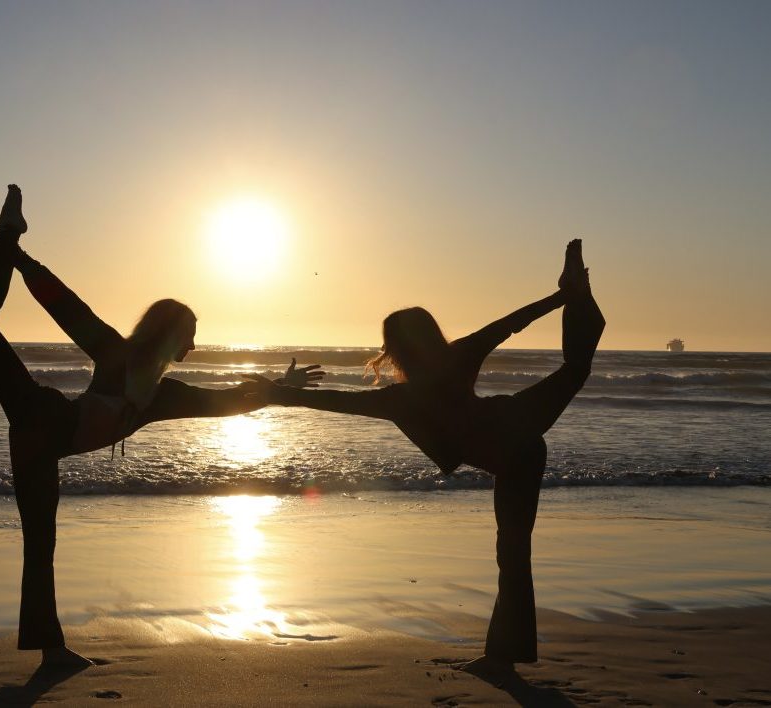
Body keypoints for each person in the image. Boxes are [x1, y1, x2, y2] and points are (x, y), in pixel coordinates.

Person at [0, 185, 322, 668]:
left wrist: (279, 386)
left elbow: (229, 401)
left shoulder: (162, 395)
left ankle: (52, 653)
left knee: (41, 544)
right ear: (170, 334)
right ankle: (6, 237)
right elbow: (67, 307)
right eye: (189, 337)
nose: (192, 347)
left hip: (39, 444)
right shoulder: (119, 357)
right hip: (41, 416)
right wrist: (22, 262)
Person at [248, 239, 604, 681]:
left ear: (395, 349)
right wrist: (559, 299)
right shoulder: (456, 357)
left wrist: (279, 393)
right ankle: (578, 294)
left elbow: (337, 401)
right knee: (575, 370)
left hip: (516, 449)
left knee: (513, 551)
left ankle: (500, 660)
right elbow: (511, 323)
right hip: (516, 424)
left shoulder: (401, 399)